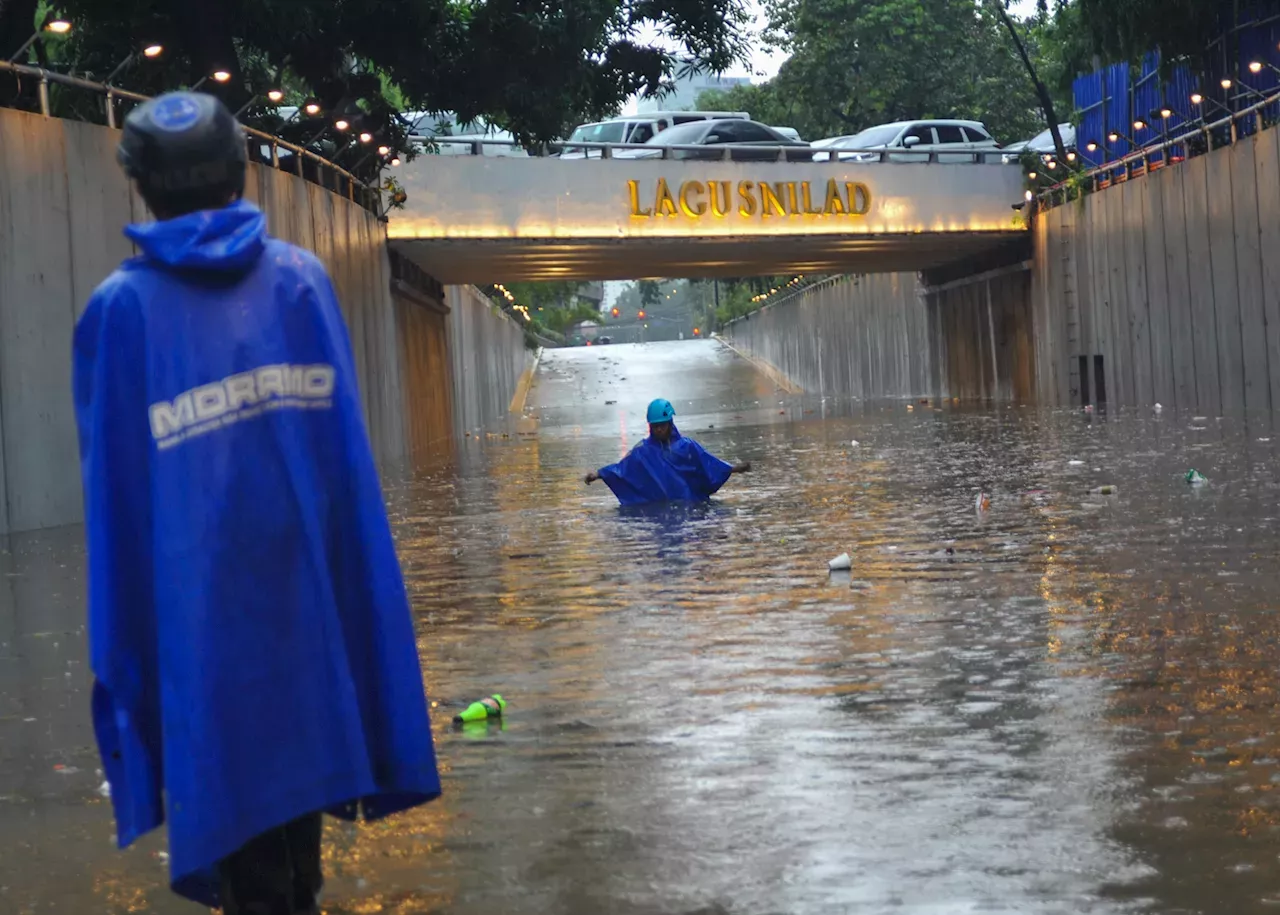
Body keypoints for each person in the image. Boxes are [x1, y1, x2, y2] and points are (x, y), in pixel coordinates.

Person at [73, 91, 440, 915]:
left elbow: (121, 518)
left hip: (202, 640)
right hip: (306, 624)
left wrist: (129, 677)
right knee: (293, 867)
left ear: (142, 185)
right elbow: (343, 482)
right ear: (240, 171)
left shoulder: (120, 311)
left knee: (249, 874)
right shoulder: (301, 282)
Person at [585, 398, 751, 505]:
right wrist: (598, 474)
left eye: (662, 425)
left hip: (689, 505)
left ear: (670, 423)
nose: (658, 430)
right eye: (655, 426)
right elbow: (622, 470)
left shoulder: (687, 447)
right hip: (659, 509)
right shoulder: (643, 451)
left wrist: (734, 468)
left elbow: (708, 463)